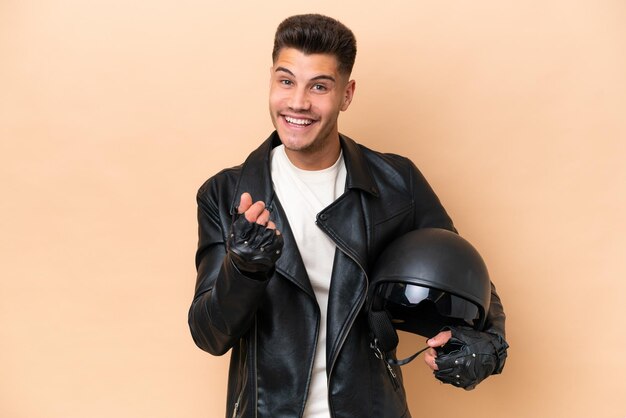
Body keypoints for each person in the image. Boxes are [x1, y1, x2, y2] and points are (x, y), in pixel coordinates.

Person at [188, 13, 507, 418]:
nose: (298, 102)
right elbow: (208, 334)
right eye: (286, 81)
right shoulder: (224, 193)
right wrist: (244, 270)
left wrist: (490, 343)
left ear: (347, 94)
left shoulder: (397, 182)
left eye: (319, 86)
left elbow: (466, 278)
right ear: (270, 81)